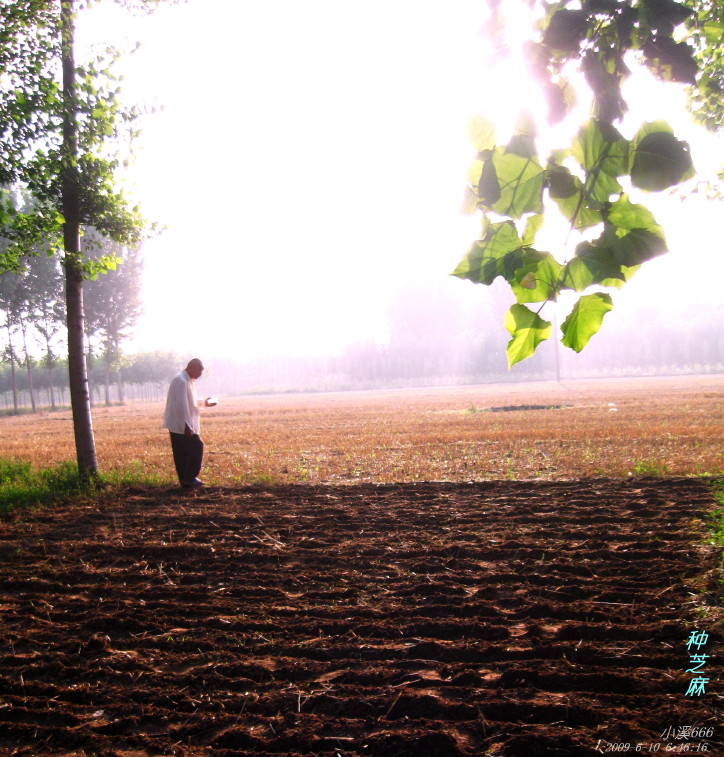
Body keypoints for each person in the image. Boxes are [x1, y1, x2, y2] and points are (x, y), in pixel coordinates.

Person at [163, 358, 215, 488]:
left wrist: (204, 403)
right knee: (197, 446)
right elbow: (181, 406)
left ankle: (186, 481)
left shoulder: (187, 380)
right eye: (199, 372)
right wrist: (186, 426)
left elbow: (190, 401)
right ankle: (190, 478)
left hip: (178, 424)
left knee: (182, 453)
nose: (199, 375)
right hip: (180, 425)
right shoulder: (181, 381)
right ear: (192, 367)